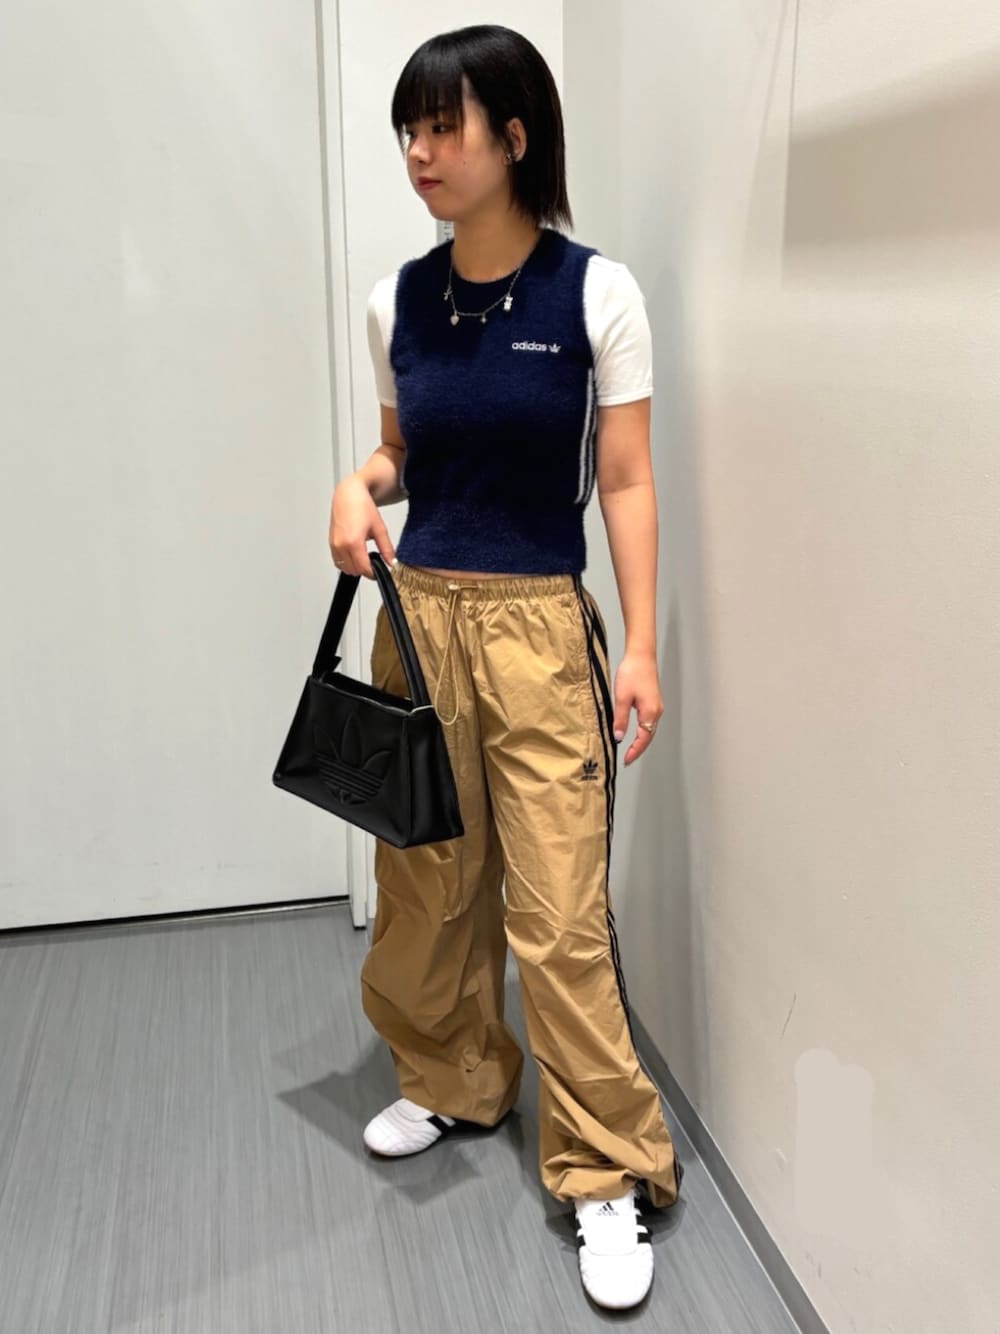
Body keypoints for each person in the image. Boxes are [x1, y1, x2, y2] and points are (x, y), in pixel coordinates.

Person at [328, 23, 683, 1311]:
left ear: (515, 137)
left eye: (444, 127)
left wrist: (640, 645)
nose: (419, 153)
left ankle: (605, 1170)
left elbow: (627, 479)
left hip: (539, 630)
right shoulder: (397, 302)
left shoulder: (597, 294)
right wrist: (358, 486)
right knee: (426, 881)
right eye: (408, 131)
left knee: (557, 911)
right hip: (418, 621)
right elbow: (403, 455)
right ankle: (453, 1079)